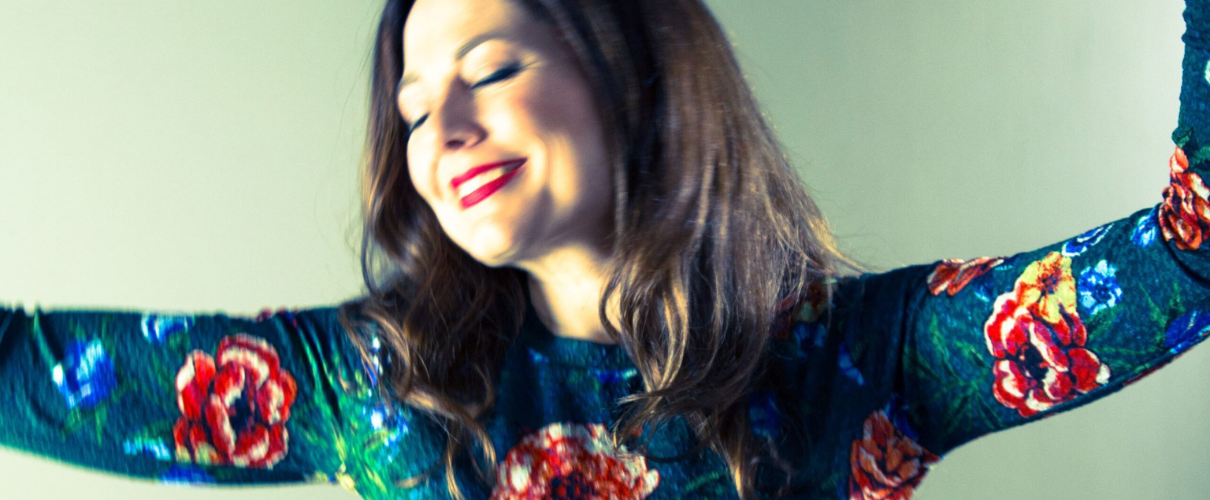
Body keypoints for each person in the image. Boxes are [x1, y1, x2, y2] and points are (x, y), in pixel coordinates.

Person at [1, 0, 1207, 499]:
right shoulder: (371, 381)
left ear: (632, 73)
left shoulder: (861, 358)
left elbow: (1183, 262)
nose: (441, 132)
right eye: (414, 109)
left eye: (490, 71)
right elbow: (23, 370)